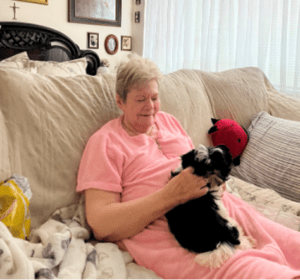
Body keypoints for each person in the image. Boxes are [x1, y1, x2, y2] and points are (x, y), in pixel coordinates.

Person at [76, 54, 300, 280]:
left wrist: (214, 180)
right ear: (120, 102)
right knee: (265, 273)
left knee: (292, 244)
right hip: (179, 236)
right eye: (140, 99)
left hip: (225, 209)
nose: (150, 107)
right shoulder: (105, 142)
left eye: (154, 97)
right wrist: (171, 195)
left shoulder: (169, 122)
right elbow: (101, 223)